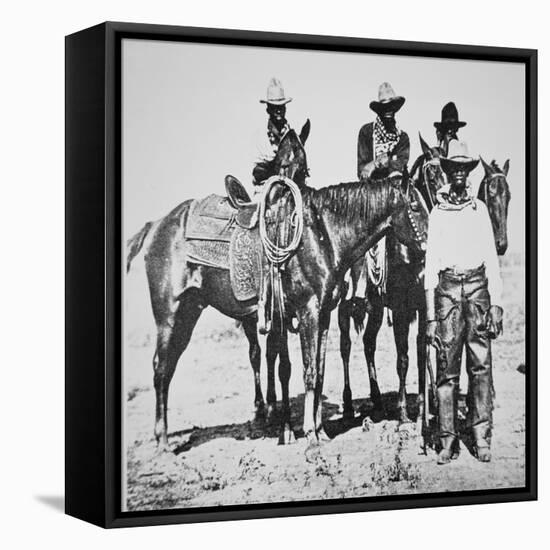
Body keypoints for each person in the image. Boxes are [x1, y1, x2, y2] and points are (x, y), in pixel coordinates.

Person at [424, 141, 503, 465]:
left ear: (468, 172)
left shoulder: (479, 210)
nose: (458, 173)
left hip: (477, 289)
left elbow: (491, 258)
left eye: (464, 168)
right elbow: (431, 265)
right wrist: (431, 315)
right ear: (447, 171)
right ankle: (447, 440)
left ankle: (481, 437)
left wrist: (495, 302)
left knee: (481, 365)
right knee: (446, 367)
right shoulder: (438, 213)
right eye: (453, 168)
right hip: (446, 294)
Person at [357, 82, 410, 180]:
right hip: (371, 189)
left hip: (393, 189)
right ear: (379, 110)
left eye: (391, 107)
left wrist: (384, 162)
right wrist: (377, 162)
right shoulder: (367, 132)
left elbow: (398, 167)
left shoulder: (402, 138)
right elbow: (362, 170)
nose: (388, 112)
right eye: (384, 109)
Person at [252, 77, 293, 194]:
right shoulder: (260, 136)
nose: (279, 111)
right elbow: (257, 172)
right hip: (266, 191)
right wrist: (276, 166)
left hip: (290, 190)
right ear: (268, 110)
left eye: (281, 107)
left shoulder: (290, 134)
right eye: (275, 107)